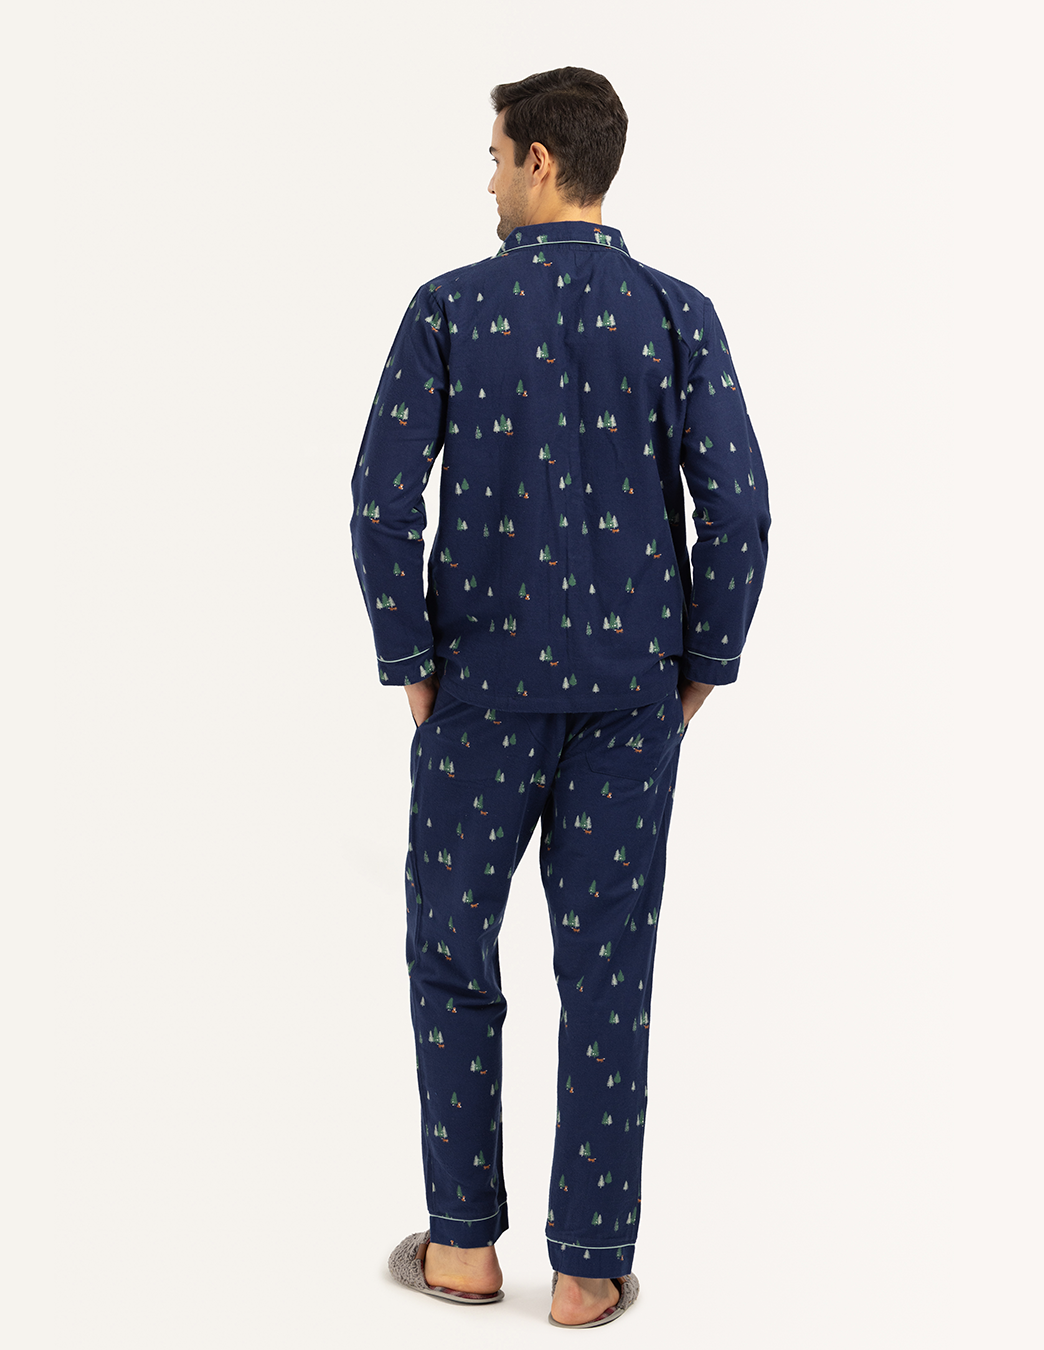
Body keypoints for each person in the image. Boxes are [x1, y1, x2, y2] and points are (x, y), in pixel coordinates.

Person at [350, 66, 771, 1328]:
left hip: (478, 697)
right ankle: (586, 1272)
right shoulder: (677, 314)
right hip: (633, 702)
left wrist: (412, 665)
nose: (486, 179)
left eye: (493, 156)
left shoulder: (448, 308)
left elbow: (379, 503)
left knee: (451, 953)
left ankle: (464, 1250)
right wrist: (699, 669)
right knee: (607, 977)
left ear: (540, 160)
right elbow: (741, 509)